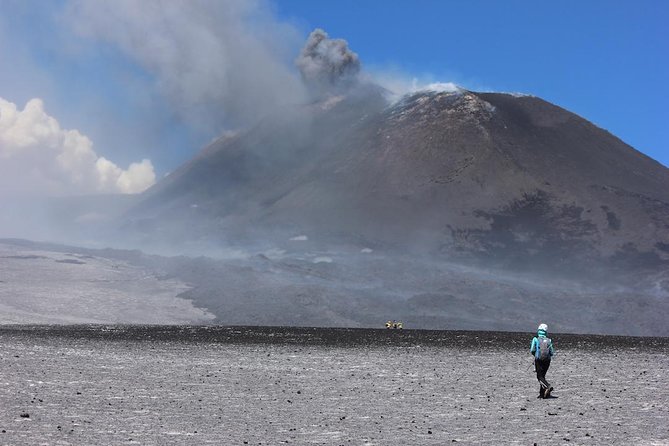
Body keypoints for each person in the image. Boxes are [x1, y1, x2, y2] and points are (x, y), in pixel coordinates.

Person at [530, 323, 554, 398]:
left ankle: (547, 386)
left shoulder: (535, 339)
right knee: (542, 376)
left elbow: (532, 350)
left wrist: (536, 355)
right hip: (547, 361)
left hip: (539, 360)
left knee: (539, 377)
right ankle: (542, 394)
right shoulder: (549, 340)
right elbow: (552, 352)